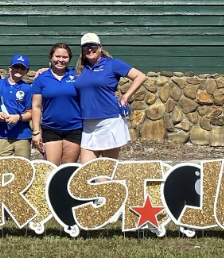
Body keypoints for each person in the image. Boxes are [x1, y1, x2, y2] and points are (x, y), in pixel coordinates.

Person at [74, 32, 147, 162]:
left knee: (106, 170)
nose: (90, 49)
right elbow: (63, 74)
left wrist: (125, 96)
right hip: (88, 123)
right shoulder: (80, 69)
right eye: (86, 47)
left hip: (109, 121)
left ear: (100, 47)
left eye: (93, 46)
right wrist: (46, 70)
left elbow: (140, 76)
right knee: (86, 169)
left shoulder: (112, 64)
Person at [29, 43, 83, 164]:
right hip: (51, 128)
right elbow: (36, 107)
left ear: (69, 59)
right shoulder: (41, 78)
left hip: (74, 128)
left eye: (65, 57)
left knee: (67, 169)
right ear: (51, 57)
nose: (61, 60)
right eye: (57, 56)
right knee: (51, 168)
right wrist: (36, 132)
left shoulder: (76, 75)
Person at [0, 55, 35, 158]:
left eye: (22, 68)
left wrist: (18, 117)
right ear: (10, 67)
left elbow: (31, 112)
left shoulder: (27, 88)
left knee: (23, 168)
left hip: (23, 136)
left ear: (26, 71)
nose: (19, 70)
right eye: (16, 66)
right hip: (3, 135)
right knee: (2, 166)